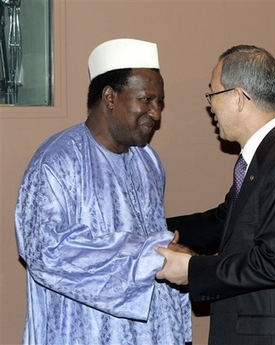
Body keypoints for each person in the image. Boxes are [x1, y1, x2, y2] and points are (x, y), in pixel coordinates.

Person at [15, 38, 192, 345]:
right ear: (110, 97)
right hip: (83, 331)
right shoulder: (58, 161)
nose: (156, 114)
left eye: (159, 103)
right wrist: (149, 255)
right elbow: (46, 252)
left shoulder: (147, 160)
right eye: (146, 100)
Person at [156, 44, 275, 344]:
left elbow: (271, 263)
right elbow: (225, 221)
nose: (210, 106)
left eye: (212, 94)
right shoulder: (264, 158)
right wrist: (154, 227)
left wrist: (192, 270)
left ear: (237, 97)